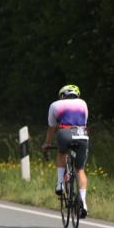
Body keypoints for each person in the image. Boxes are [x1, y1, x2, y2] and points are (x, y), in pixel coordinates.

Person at [42, 84, 89, 218]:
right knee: (80, 169)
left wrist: (47, 144)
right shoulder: (83, 104)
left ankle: (60, 184)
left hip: (65, 133)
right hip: (82, 135)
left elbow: (51, 128)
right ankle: (83, 203)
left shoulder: (55, 105)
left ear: (62, 95)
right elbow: (83, 122)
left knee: (62, 153)